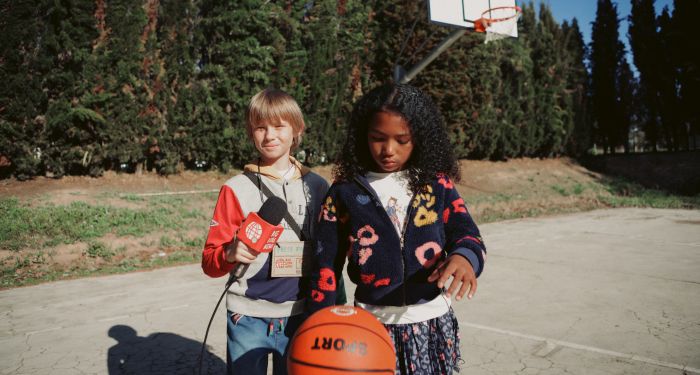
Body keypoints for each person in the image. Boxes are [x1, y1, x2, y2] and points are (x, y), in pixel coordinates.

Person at [307, 83, 486, 375]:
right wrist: (320, 323)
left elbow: (467, 232)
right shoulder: (345, 192)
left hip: (431, 321)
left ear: (420, 138)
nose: (389, 150)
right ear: (362, 136)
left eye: (402, 140)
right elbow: (325, 264)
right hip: (370, 325)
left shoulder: (436, 184)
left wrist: (465, 257)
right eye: (378, 138)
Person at [202, 88, 331, 375]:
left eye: (278, 126)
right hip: (247, 316)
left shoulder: (319, 187)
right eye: (260, 127)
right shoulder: (235, 189)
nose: (269, 135)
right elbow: (209, 263)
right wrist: (230, 252)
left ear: (297, 129)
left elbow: (330, 255)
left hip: (302, 314)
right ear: (251, 132)